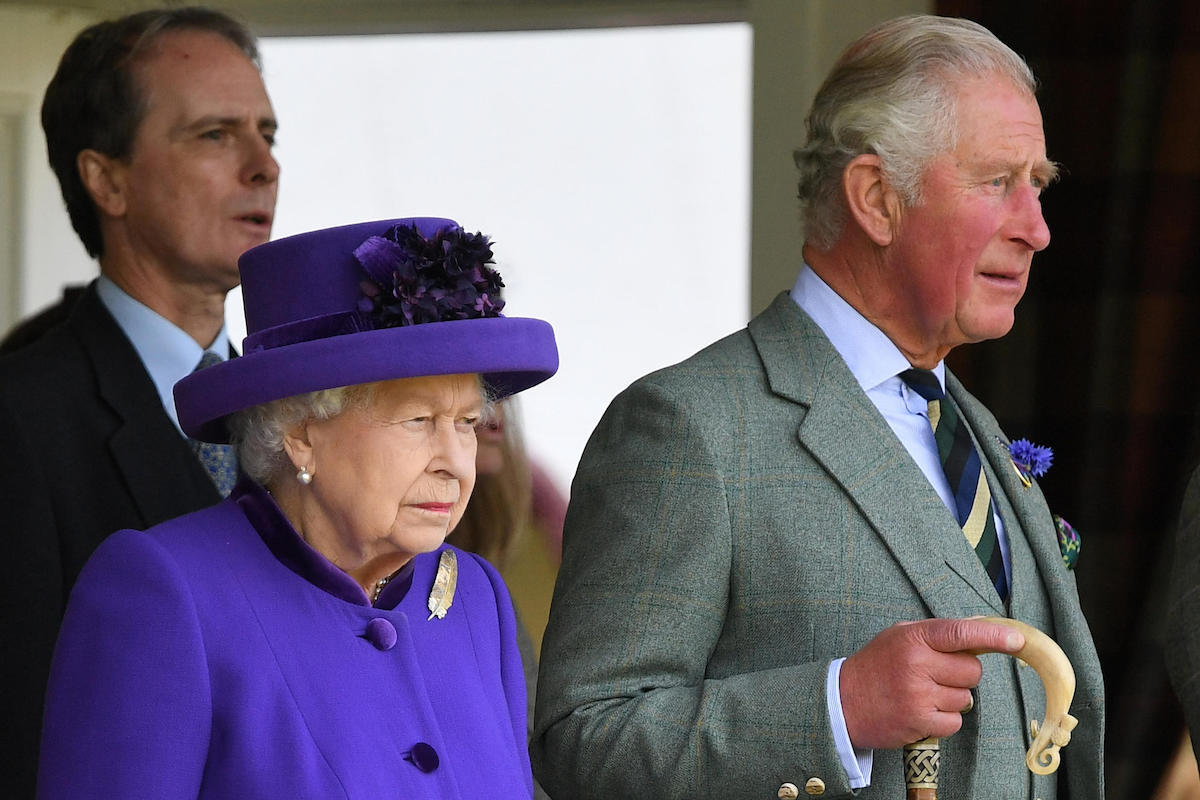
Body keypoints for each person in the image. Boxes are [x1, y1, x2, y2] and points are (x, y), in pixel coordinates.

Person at [532, 14, 1104, 799]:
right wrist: (838, 707)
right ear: (875, 198)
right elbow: (581, 742)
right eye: (998, 182)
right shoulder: (687, 426)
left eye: (1038, 185)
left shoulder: (975, 430)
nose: (1036, 229)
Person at [36, 217, 558, 798]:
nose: (454, 463)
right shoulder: (166, 593)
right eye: (418, 421)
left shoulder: (475, 596)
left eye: (465, 423)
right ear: (302, 431)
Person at [0, 8, 278, 795]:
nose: (264, 166)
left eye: (268, 132)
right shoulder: (20, 420)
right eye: (215, 135)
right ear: (107, 179)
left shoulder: (308, 408)